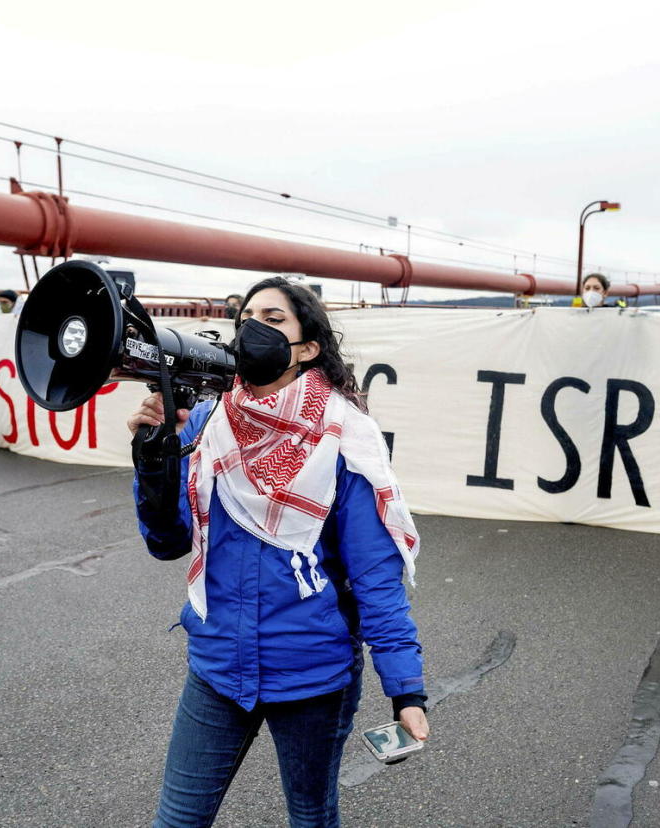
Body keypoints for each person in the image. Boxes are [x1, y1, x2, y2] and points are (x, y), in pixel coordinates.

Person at [129, 276, 427, 827]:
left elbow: (373, 577)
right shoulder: (206, 423)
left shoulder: (345, 437)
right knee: (176, 820)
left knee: (311, 816)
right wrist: (152, 461)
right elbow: (167, 542)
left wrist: (405, 690)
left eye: (272, 319)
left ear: (307, 348)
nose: (252, 329)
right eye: (246, 317)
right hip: (218, 666)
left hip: (314, 674)